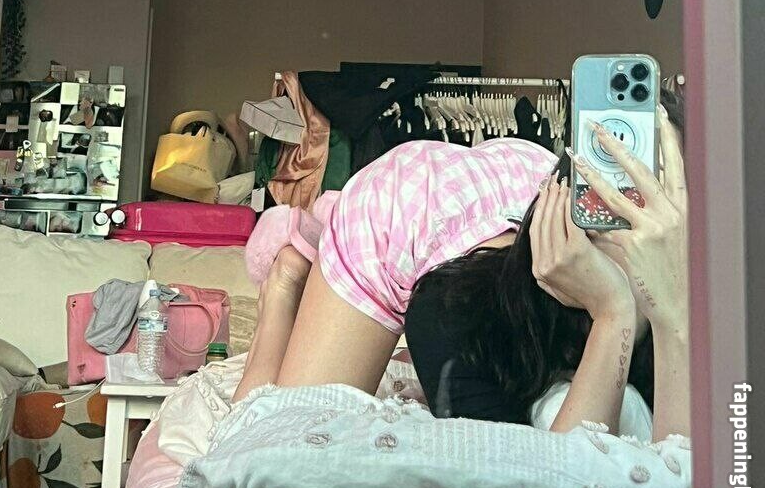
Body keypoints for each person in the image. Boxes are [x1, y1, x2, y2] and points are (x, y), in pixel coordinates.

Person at [234, 91, 688, 441]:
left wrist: (673, 316)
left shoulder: (692, 276)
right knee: (282, 435)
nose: (663, 234)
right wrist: (614, 314)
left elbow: (685, 480)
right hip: (401, 210)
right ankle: (287, 277)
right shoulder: (454, 314)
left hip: (519, 183)